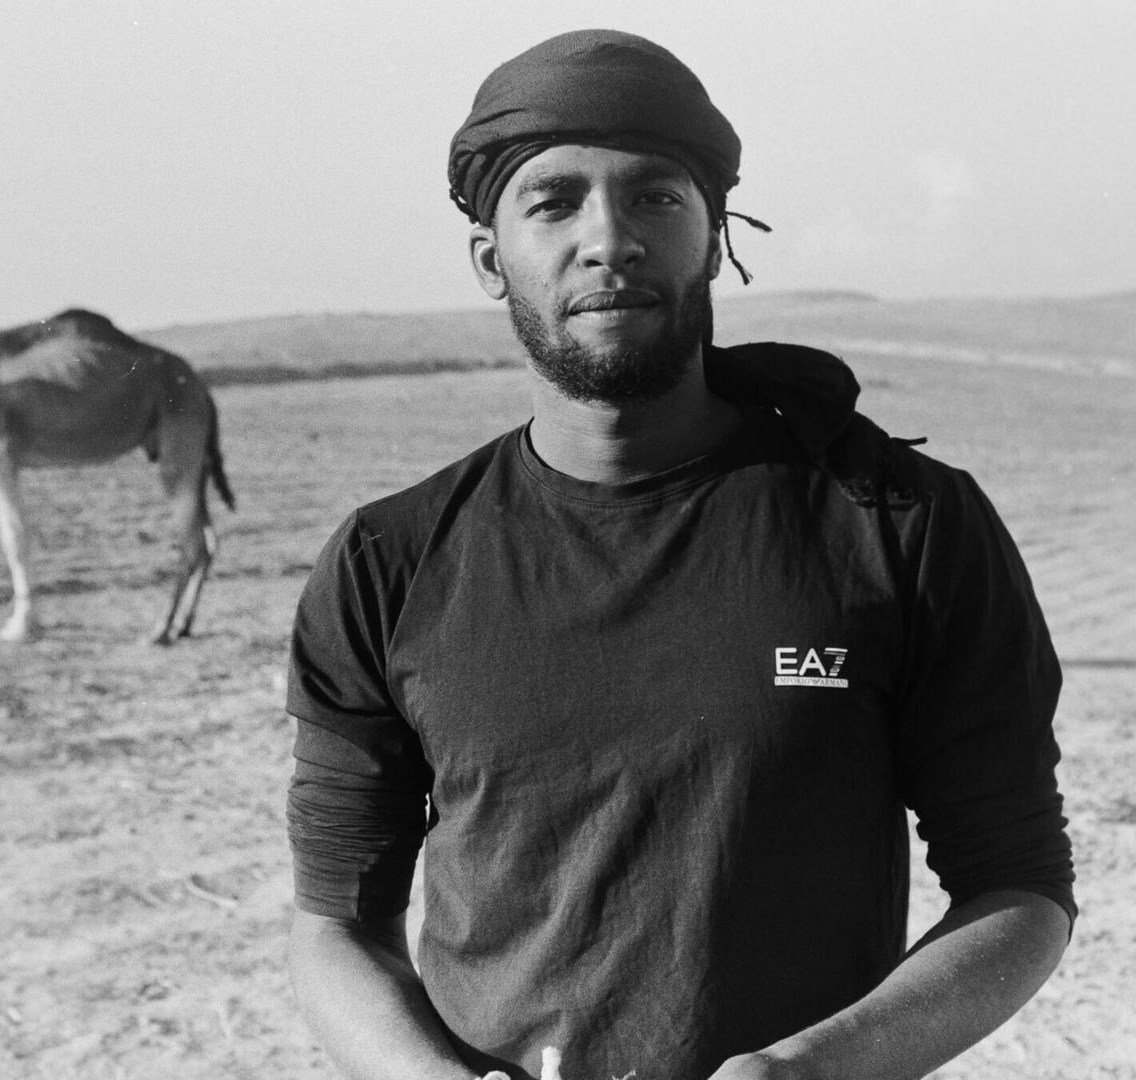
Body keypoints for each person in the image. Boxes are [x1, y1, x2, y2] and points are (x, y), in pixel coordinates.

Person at [285, 28, 1075, 1080]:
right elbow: (335, 924)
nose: (608, 238)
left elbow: (1021, 891)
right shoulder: (392, 561)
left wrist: (805, 1070)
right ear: (491, 259)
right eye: (553, 201)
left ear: (714, 236)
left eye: (656, 196)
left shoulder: (900, 525)